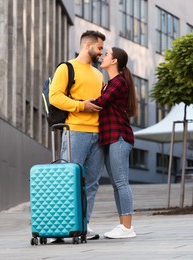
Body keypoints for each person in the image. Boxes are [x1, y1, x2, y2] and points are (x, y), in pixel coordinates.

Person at [49, 30, 106, 241]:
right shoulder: (67, 68)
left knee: (91, 183)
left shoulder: (99, 74)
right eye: (99, 48)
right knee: (68, 180)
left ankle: (84, 225)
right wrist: (82, 106)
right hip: (75, 131)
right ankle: (61, 227)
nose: (101, 52)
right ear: (87, 45)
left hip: (97, 134)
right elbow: (55, 97)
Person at [93, 47, 137, 239]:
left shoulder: (118, 82)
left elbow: (101, 102)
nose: (103, 56)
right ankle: (123, 225)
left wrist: (79, 103)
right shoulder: (110, 83)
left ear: (114, 61)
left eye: (107, 54)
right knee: (117, 183)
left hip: (119, 137)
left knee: (121, 182)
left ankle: (127, 227)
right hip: (111, 138)